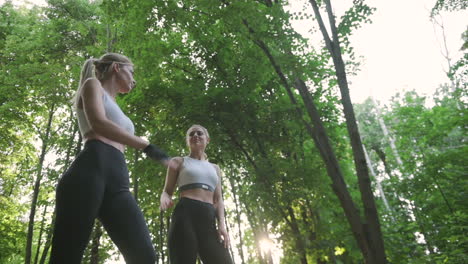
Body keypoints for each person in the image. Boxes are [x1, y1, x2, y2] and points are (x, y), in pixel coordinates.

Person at [49, 53, 169, 264]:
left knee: (145, 256)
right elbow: (99, 123)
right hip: (89, 172)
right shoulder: (92, 85)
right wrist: (148, 146)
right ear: (116, 67)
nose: (134, 79)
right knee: (67, 255)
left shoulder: (116, 106)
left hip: (118, 180)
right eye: (131, 72)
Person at [160, 124, 233, 264]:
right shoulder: (178, 162)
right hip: (185, 214)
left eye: (200, 133)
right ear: (187, 141)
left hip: (208, 217)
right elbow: (166, 192)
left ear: (207, 140)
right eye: (191, 134)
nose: (195, 136)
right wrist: (164, 199)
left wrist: (222, 226)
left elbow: (218, 200)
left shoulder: (215, 168)